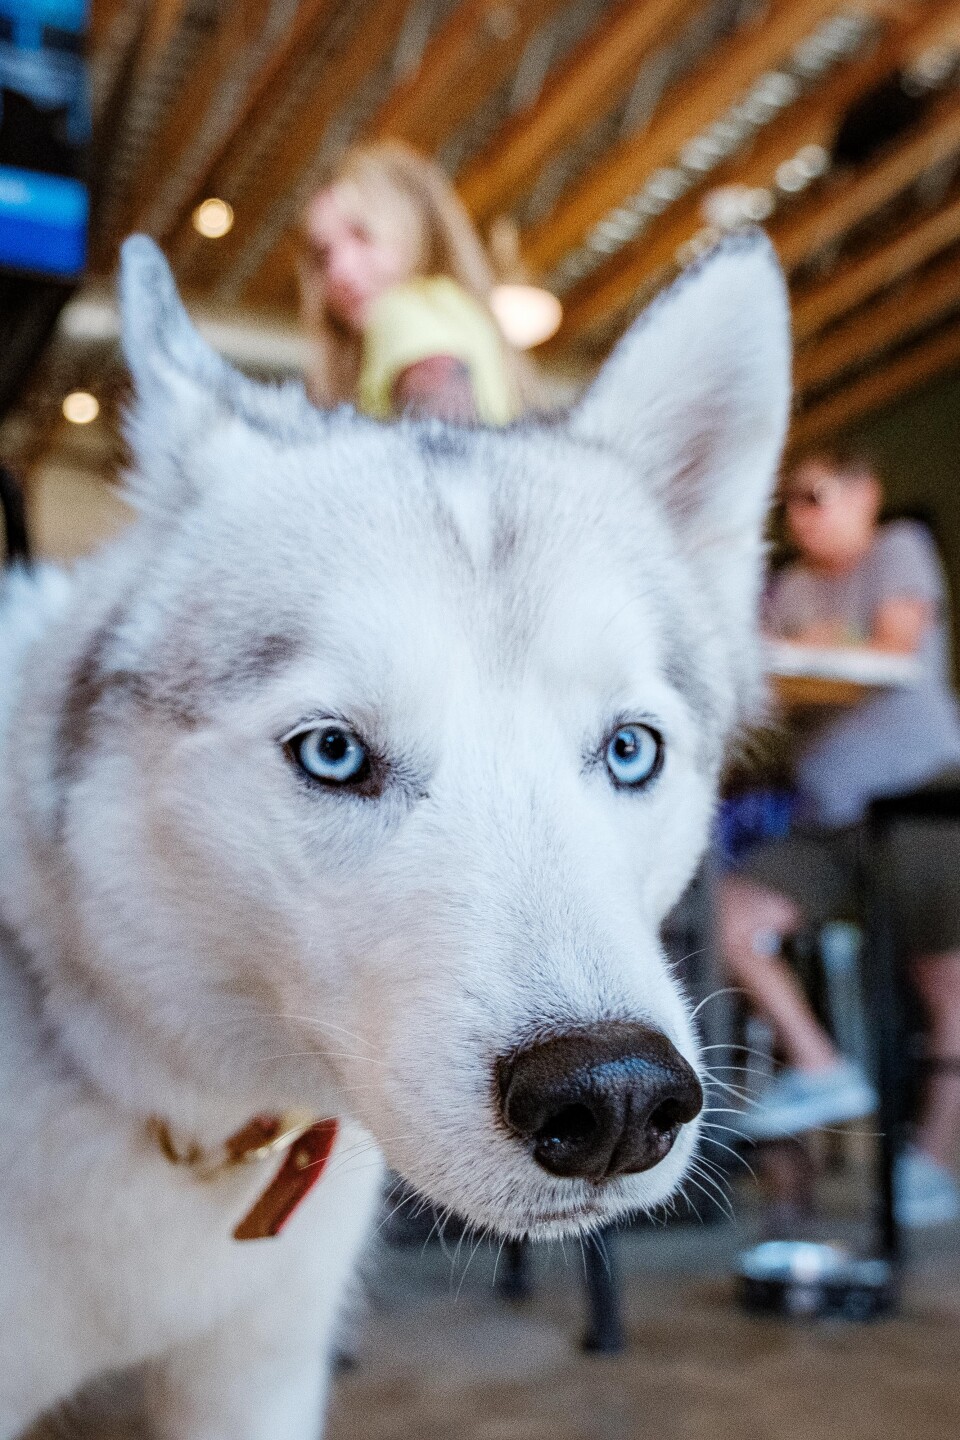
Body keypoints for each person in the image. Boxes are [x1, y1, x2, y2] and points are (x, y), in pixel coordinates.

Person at [722, 447, 960, 1226]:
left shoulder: (899, 549)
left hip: (919, 798)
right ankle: (820, 1062)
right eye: (790, 500)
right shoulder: (792, 587)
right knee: (730, 916)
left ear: (865, 493)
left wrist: (813, 650)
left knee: (945, 985)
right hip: (826, 818)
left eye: (816, 495)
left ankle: (935, 1163)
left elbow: (894, 648)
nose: (801, 513)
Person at [299, 139, 546, 426]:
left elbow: (444, 446)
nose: (338, 269)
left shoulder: (406, 313)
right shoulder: (457, 314)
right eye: (323, 254)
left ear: (417, 226)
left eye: (362, 235)